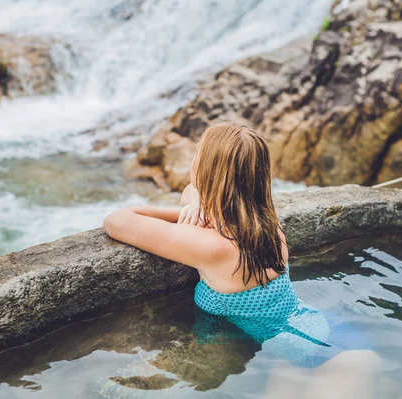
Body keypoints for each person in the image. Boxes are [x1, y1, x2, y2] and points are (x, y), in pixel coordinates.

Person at [103, 122, 381, 397]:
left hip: (328, 358)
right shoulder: (268, 225)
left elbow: (116, 221)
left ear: (207, 171)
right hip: (330, 340)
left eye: (197, 156)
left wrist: (181, 213)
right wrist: (196, 205)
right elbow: (191, 190)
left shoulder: (213, 246)